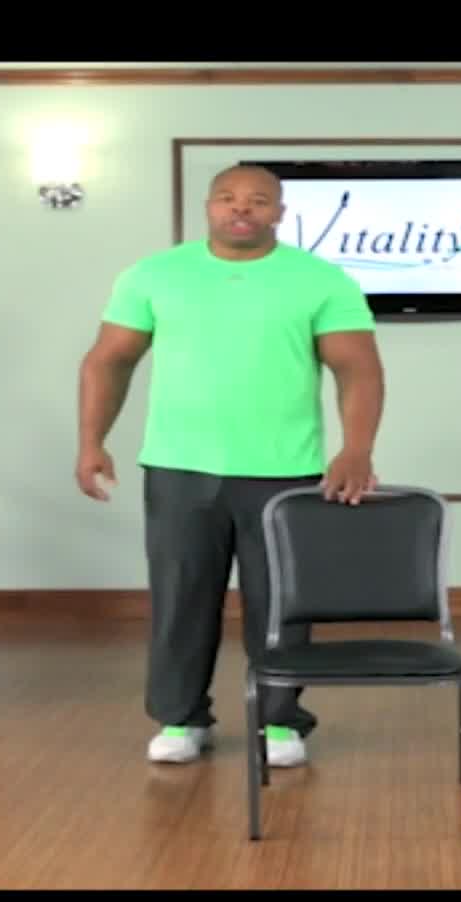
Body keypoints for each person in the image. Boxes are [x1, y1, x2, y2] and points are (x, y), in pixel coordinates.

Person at [76, 164, 385, 768]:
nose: (241, 208)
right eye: (227, 198)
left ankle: (280, 722)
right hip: (179, 467)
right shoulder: (154, 274)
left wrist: (356, 449)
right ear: (209, 207)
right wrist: (92, 440)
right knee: (180, 599)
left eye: (258, 200)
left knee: (281, 606)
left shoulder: (321, 279)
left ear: (280, 213)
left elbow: (358, 369)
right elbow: (108, 361)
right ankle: (180, 718)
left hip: (285, 471)